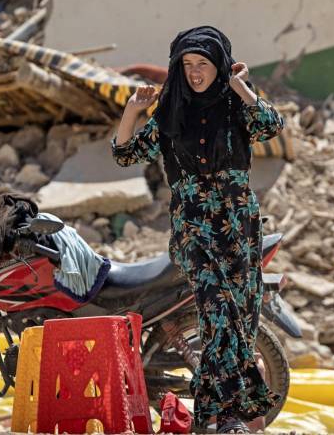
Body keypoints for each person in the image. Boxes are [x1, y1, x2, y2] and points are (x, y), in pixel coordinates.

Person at [111, 26, 284, 434]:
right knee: (217, 316)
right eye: (187, 65)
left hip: (239, 228)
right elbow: (124, 155)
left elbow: (271, 125)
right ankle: (219, 417)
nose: (194, 73)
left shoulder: (236, 106)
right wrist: (132, 112)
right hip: (194, 229)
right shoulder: (171, 112)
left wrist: (240, 87)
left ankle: (247, 416)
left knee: (241, 321)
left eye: (203, 64)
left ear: (219, 65)